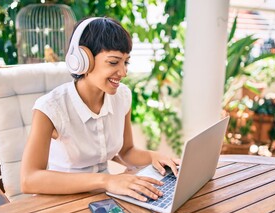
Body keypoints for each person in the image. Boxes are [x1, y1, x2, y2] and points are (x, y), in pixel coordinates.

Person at [21, 17, 179, 202]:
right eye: (113, 62)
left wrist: (155, 156)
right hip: (60, 200)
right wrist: (106, 180)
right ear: (82, 61)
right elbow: (29, 179)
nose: (123, 72)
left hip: (106, 196)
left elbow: (126, 151)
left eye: (126, 62)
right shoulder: (50, 108)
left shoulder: (122, 96)